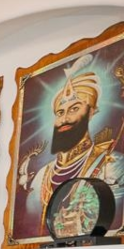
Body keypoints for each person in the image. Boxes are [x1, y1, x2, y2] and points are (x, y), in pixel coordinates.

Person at [19, 54, 121, 219]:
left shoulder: (112, 165)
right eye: (60, 112)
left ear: (92, 111)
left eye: (74, 108)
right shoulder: (41, 176)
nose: (64, 118)